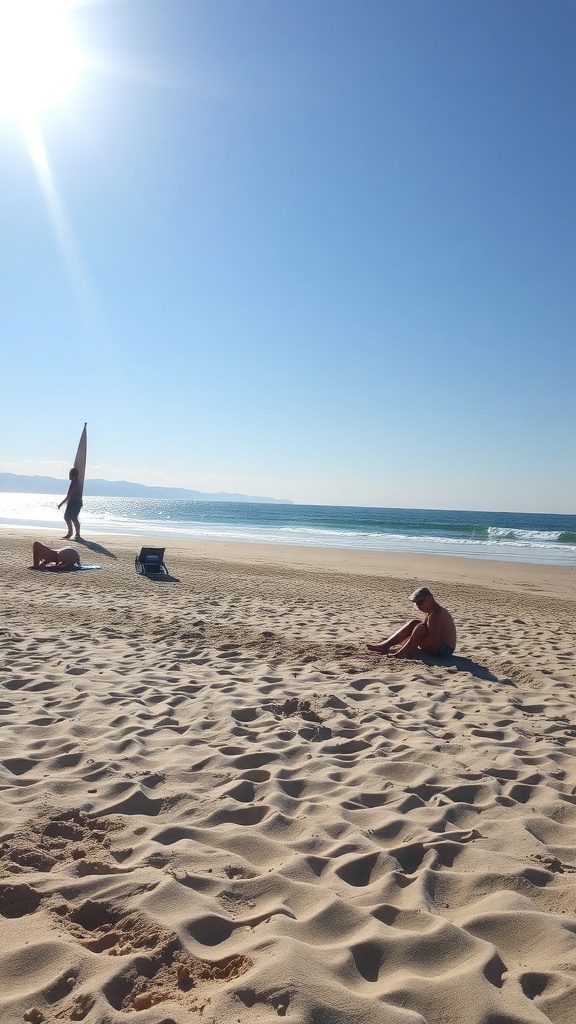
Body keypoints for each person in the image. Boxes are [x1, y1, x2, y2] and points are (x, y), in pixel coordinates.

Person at [366, 586, 456, 659]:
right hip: (440, 647)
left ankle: (402, 652)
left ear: (429, 599)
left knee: (420, 628)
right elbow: (427, 629)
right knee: (415, 623)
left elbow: (433, 641)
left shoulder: (436, 614)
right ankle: (386, 645)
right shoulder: (431, 611)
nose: (418, 606)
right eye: (416, 603)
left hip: (444, 651)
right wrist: (414, 639)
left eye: (420, 602)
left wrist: (414, 641)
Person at [58, 467, 83, 541]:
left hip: (75, 502)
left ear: (72, 475)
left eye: (69, 474)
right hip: (73, 502)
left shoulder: (75, 482)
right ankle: (70, 533)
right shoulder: (76, 481)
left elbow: (69, 495)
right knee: (67, 517)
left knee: (74, 517)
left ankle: (77, 534)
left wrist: (61, 503)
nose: (68, 476)